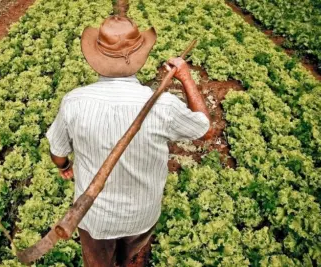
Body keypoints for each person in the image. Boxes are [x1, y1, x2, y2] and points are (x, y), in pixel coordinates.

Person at [45, 14, 213, 267]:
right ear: (140, 58)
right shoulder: (163, 105)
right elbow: (205, 130)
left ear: (95, 58)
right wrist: (186, 78)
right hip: (141, 216)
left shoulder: (74, 102)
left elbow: (57, 152)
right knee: (135, 259)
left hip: (94, 218)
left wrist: (64, 166)